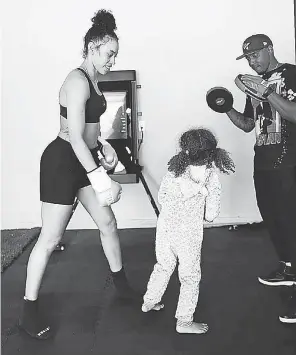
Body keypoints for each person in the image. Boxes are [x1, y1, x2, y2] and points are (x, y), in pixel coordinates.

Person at [19, 9, 139, 340]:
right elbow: (71, 136)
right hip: (61, 161)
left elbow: (86, 131)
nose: (112, 61)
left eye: (116, 55)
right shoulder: (76, 81)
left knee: (108, 223)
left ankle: (122, 286)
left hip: (83, 158)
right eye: (109, 53)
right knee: (51, 238)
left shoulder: (93, 81)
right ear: (91, 47)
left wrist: (104, 145)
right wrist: (100, 177)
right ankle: (28, 309)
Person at [226, 34, 296, 323]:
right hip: (264, 162)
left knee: (293, 222)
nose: (252, 61)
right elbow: (246, 125)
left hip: (290, 162)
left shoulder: (291, 74)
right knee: (275, 220)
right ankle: (289, 269)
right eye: (248, 58)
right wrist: (224, 106)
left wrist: (266, 92)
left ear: (269, 49)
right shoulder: (253, 86)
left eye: (256, 54)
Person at [141, 128, 235, 334]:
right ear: (212, 153)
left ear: (184, 151)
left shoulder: (173, 171)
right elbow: (211, 214)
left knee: (164, 265)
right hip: (189, 235)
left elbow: (162, 199)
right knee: (190, 276)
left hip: (165, 229)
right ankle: (184, 322)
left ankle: (149, 301)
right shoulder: (210, 178)